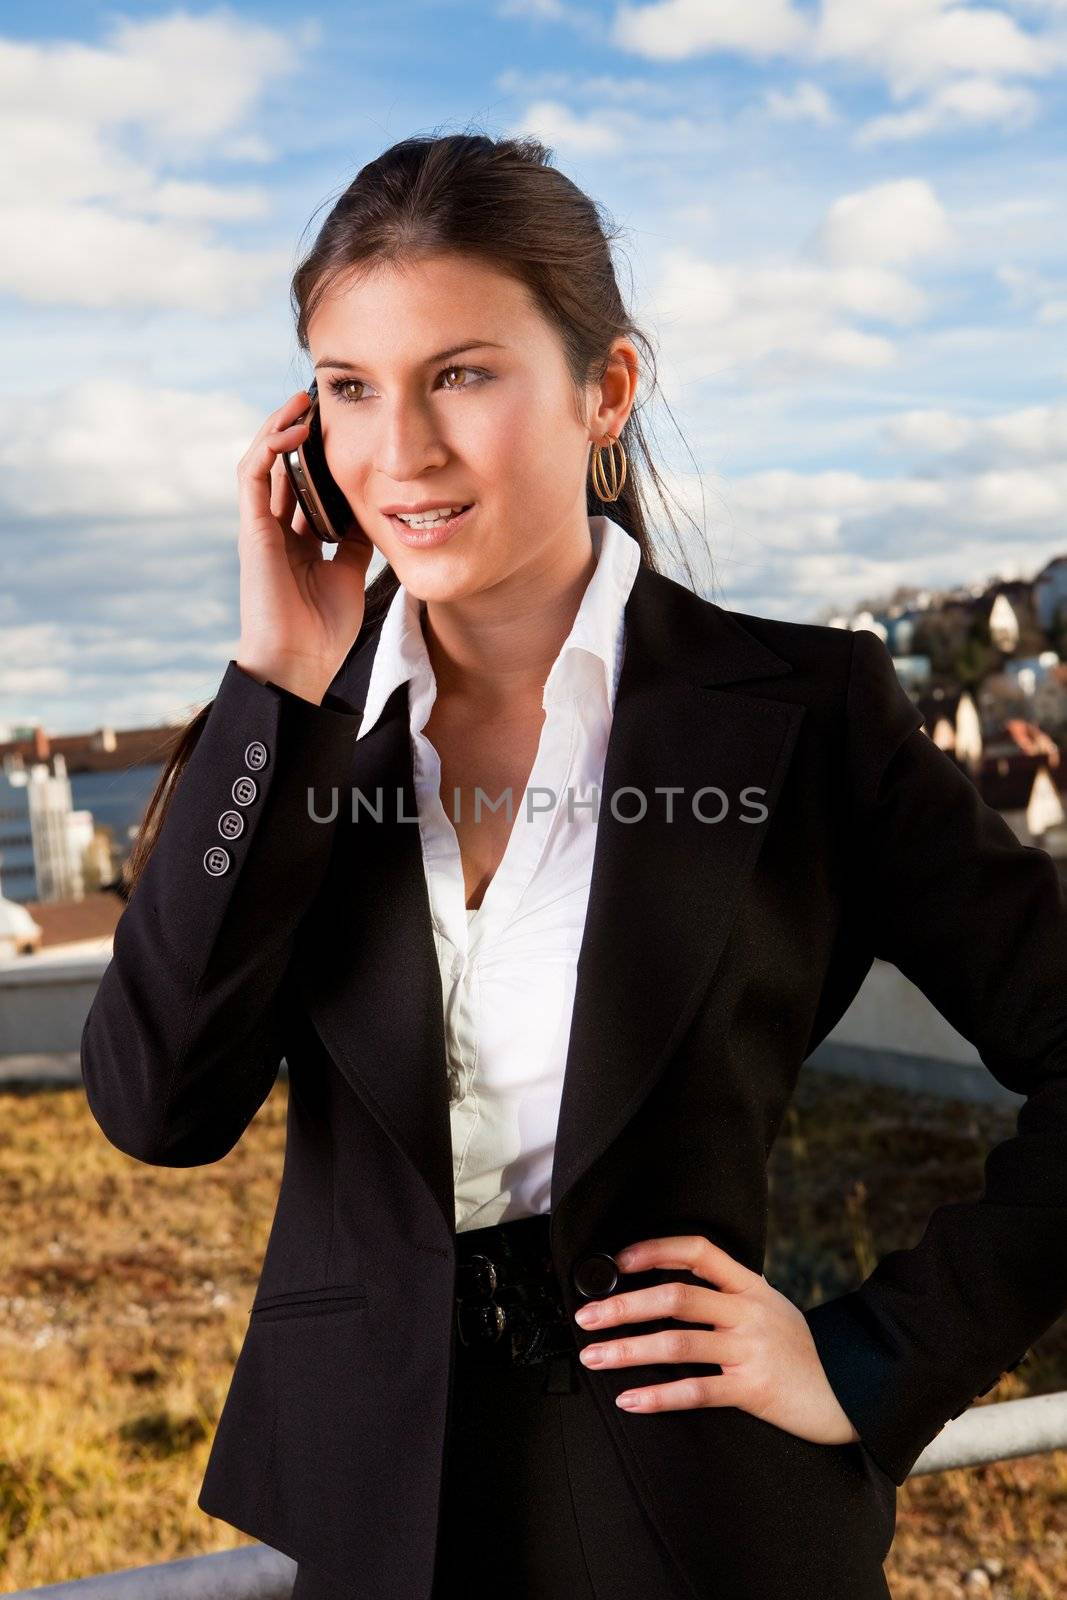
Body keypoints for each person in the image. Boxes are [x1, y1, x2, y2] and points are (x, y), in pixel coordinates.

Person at [81, 131, 1067, 1600]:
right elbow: (158, 1108)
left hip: (705, 1524)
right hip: (371, 1531)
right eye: (351, 389)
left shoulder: (804, 716)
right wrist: (278, 677)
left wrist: (874, 1354)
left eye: (461, 375)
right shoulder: (297, 738)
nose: (399, 454)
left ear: (605, 390)